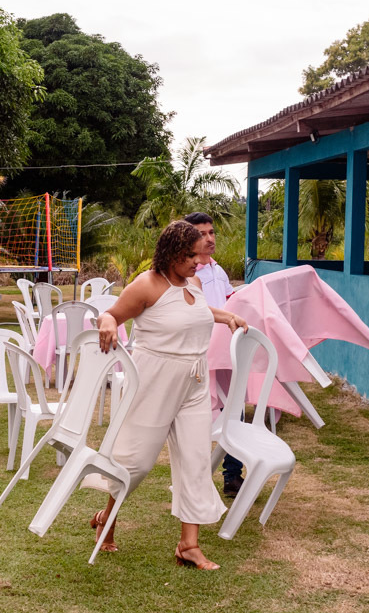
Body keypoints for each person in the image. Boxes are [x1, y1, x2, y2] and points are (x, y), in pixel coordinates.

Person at [90, 220, 249, 570]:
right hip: (154, 380)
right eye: (191, 255)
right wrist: (106, 322)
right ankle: (106, 519)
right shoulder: (146, 285)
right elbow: (112, 314)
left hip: (193, 380)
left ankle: (188, 546)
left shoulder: (191, 282)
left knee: (195, 460)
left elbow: (193, 311)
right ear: (173, 253)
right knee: (135, 462)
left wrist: (227, 317)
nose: (199, 262)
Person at [184, 212, 244, 497]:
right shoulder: (188, 275)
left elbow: (232, 301)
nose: (209, 238)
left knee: (236, 411)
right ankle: (194, 480)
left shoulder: (218, 271)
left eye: (211, 232)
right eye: (201, 234)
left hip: (228, 352)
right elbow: (195, 310)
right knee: (203, 416)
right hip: (203, 354)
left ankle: (233, 476)